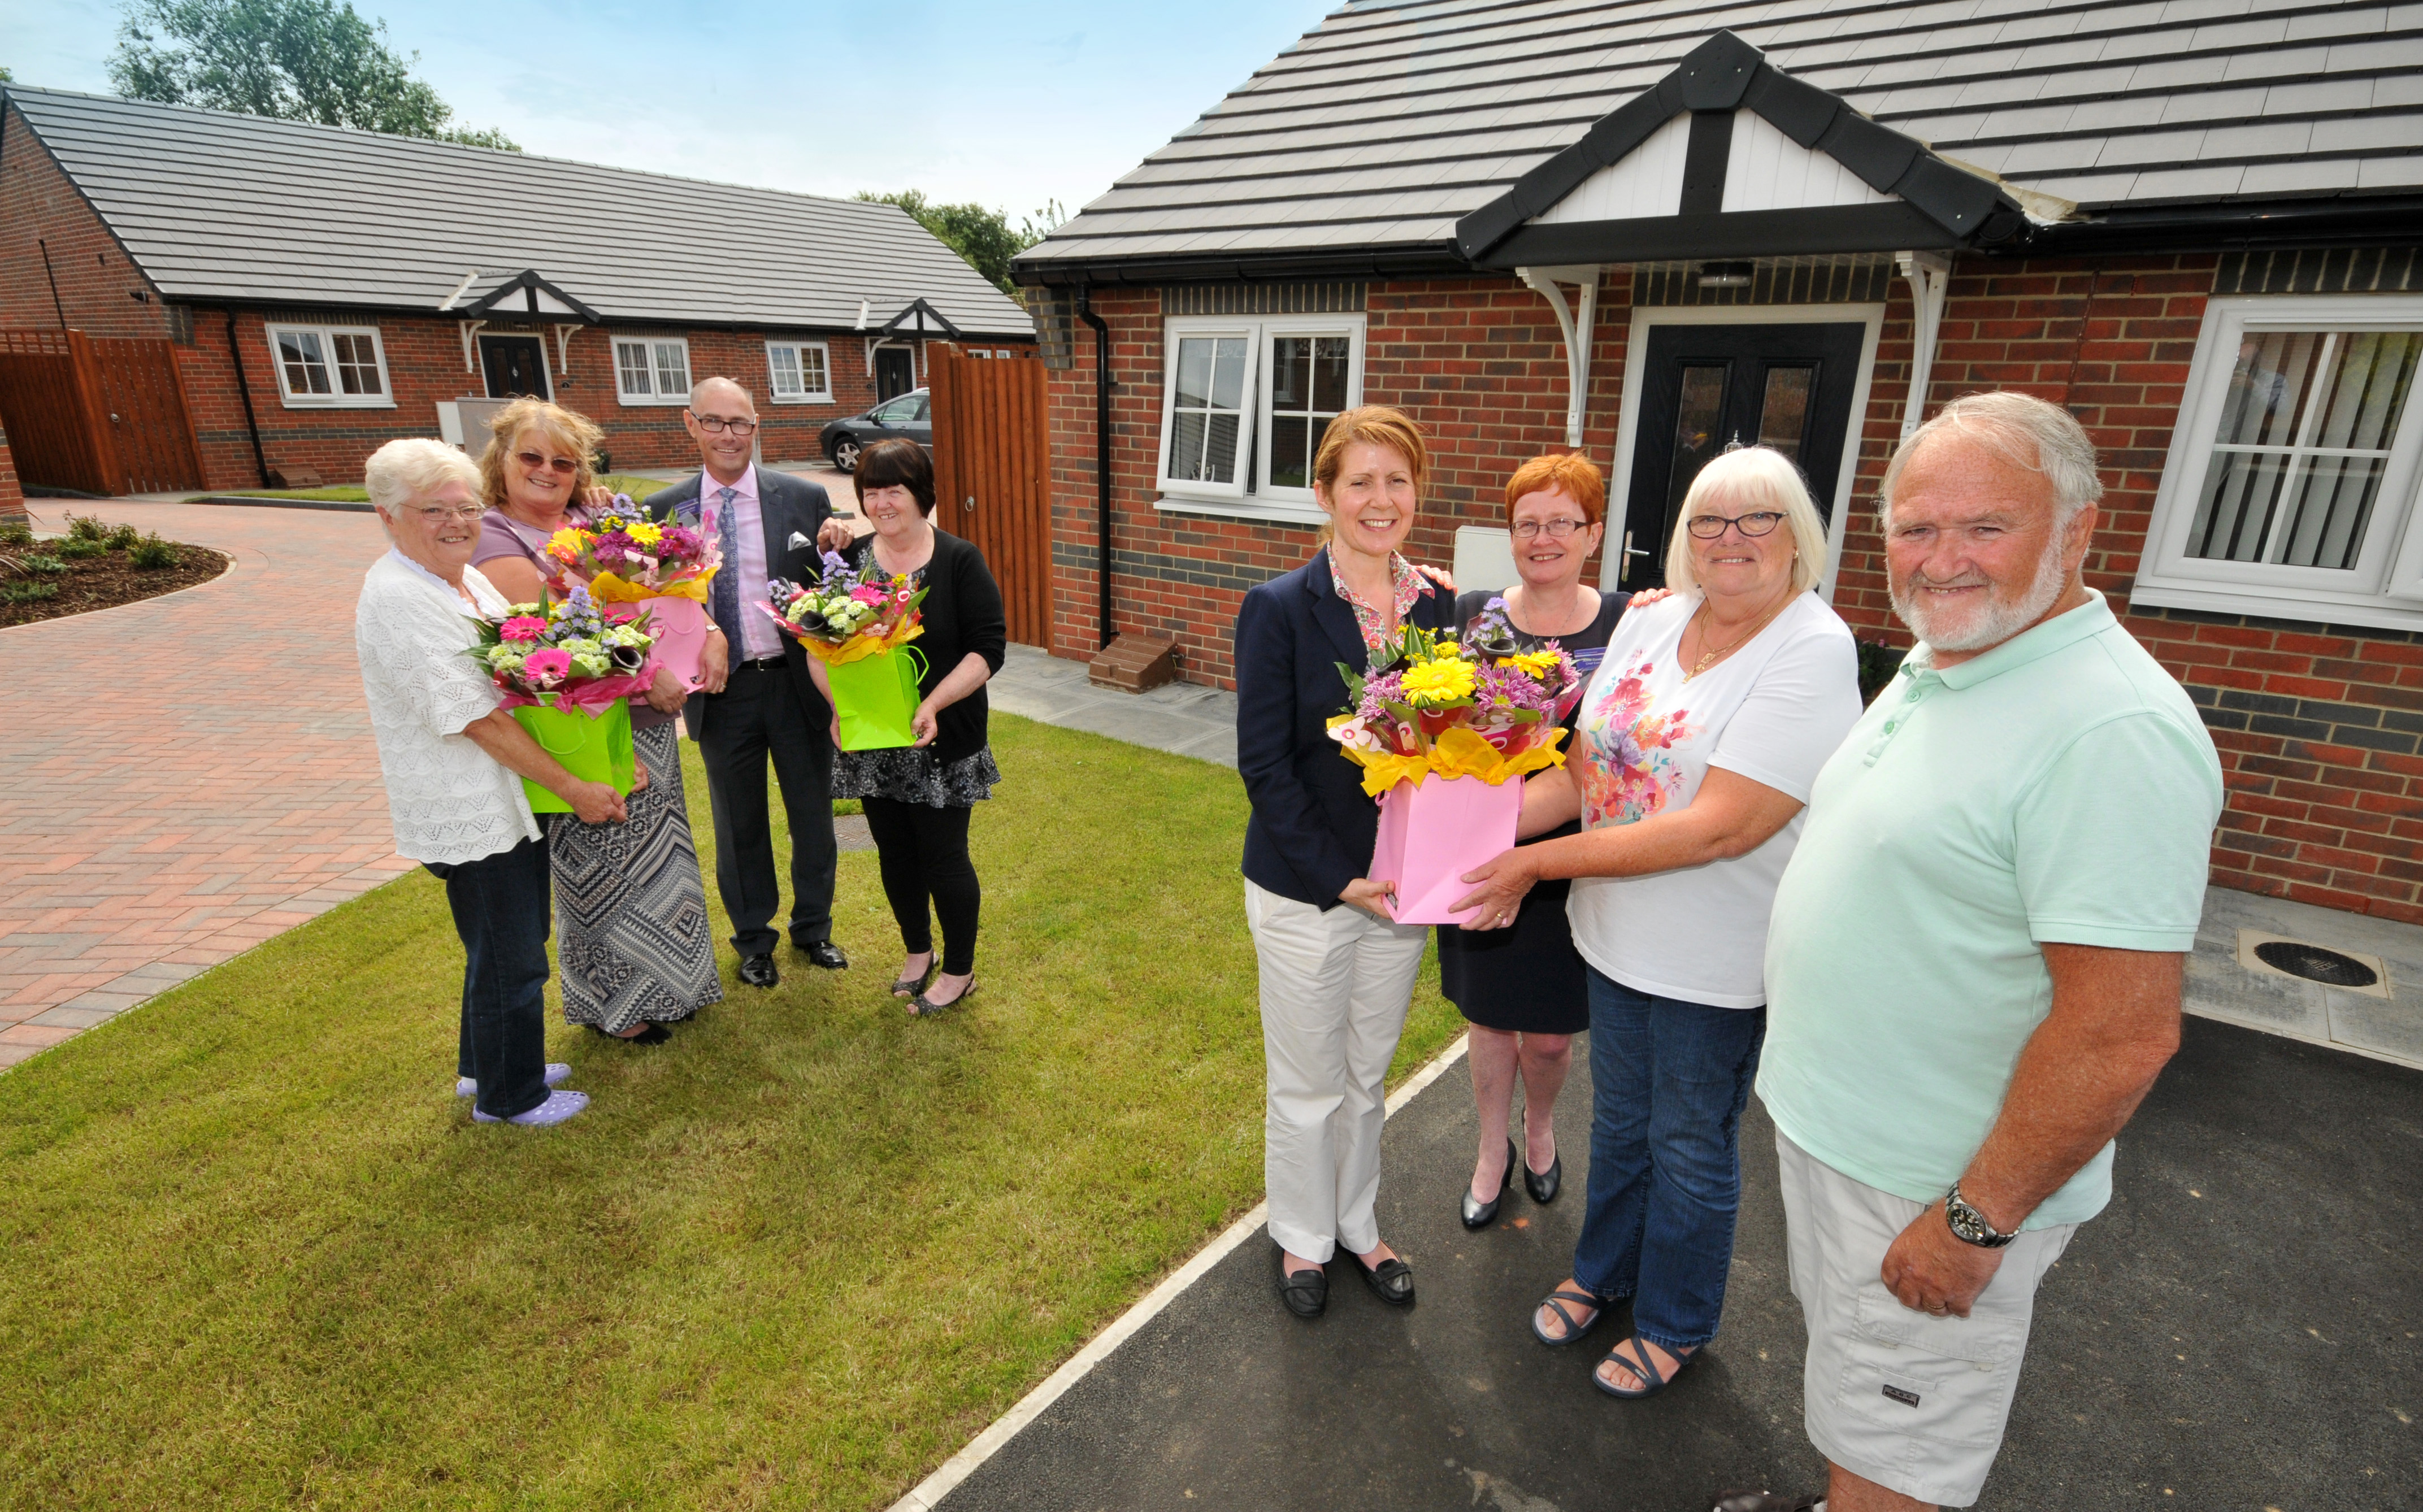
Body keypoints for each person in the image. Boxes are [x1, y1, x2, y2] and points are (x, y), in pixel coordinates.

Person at [1719, 393, 2222, 1512]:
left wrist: (1969, 1223)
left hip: (1929, 1188)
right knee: (1859, 1395)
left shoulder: (2112, 731)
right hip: (1845, 1145)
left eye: (1982, 527)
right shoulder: (1949, 653)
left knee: (1900, 1442)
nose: (1940, 562)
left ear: (2077, 530)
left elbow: (2120, 1032)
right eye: (1912, 527)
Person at [1453, 446, 1863, 1398]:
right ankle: (1604, 1271)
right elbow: (1582, 774)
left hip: (1712, 958)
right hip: (1613, 934)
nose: (1730, 539)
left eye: (1757, 519)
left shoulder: (1811, 644)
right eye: (1709, 520)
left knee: (1688, 1142)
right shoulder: (1653, 620)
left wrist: (1531, 866)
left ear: (1796, 535)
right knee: (1624, 1123)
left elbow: (1723, 826)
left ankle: (1675, 1321)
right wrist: (1449, 838)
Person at [1233, 405, 1457, 1320]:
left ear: (1416, 492)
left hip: (1402, 886)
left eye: (1395, 480)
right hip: (1307, 890)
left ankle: (1357, 1224)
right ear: (1323, 495)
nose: (1379, 499)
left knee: (1367, 1075)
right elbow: (1264, 765)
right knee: (1307, 1082)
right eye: (1358, 482)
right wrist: (1339, 878)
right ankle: (1300, 1236)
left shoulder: (1438, 603)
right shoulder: (1281, 608)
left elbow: (1450, 744)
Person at [353, 436, 636, 1127]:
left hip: (505, 799)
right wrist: (575, 788)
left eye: (466, 507)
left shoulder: (459, 579)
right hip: (469, 805)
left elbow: (528, 667)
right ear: (389, 517)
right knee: (513, 955)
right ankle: (511, 1099)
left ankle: (485, 1067)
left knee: (498, 943)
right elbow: (477, 718)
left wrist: (603, 756)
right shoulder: (399, 596)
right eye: (434, 511)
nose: (457, 523)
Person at [470, 397, 720, 1043]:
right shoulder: (495, 534)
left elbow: (665, 592)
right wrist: (647, 672)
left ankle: (674, 985)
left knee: (661, 858)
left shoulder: (596, 517)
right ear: (502, 459)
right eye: (532, 456)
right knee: (601, 865)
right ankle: (619, 1007)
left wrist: (709, 631)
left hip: (648, 718)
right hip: (575, 723)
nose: (547, 470)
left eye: (564, 461)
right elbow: (552, 639)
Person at [1438, 452, 1631, 1229]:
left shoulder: (1633, 621)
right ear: (1509, 532)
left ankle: (1542, 1131)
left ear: (1592, 532)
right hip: (1486, 847)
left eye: (1562, 522)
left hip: (1576, 861)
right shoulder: (1473, 615)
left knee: (1549, 1038)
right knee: (1489, 1025)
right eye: (1527, 524)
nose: (1543, 538)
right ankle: (1492, 1151)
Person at [646, 376, 854, 989]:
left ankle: (814, 928)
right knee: (739, 824)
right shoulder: (665, 511)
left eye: (739, 423)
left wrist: (842, 535)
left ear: (756, 426)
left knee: (812, 815)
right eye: (714, 422)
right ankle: (753, 940)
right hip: (720, 691)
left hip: (795, 685)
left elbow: (833, 584)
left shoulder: (804, 496)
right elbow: (650, 601)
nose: (728, 435)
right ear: (691, 425)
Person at [800, 439, 1005, 1016]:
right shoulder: (850, 563)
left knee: (944, 856)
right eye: (872, 491)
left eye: (896, 489)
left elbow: (987, 649)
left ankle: (959, 971)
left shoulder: (959, 561)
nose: (883, 502)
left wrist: (934, 704)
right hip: (873, 741)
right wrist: (838, 710)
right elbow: (818, 647)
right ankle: (919, 953)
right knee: (895, 852)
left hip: (941, 736)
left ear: (922, 495)